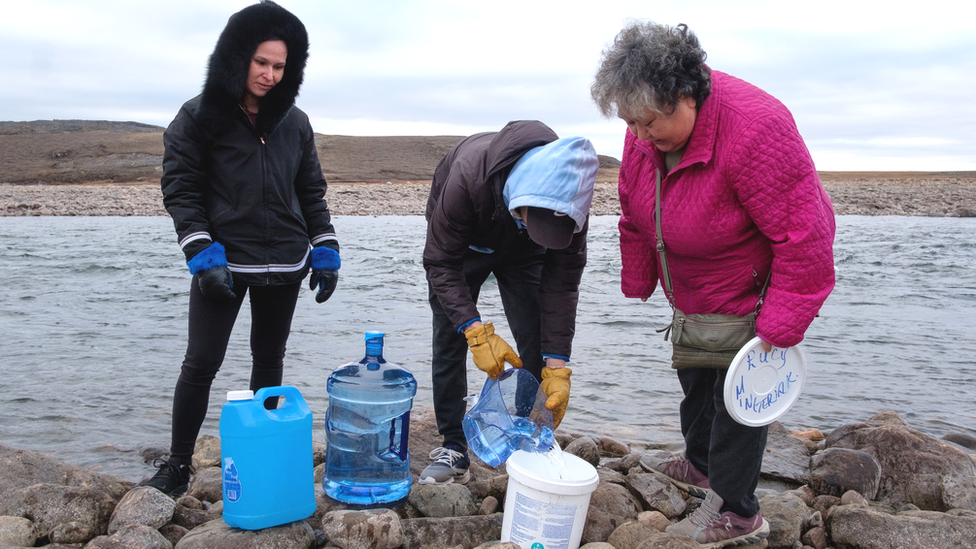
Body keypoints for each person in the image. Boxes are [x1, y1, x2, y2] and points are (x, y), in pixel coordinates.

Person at [591, 22, 835, 546]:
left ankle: (739, 512)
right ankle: (701, 467)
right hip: (694, 291)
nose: (637, 135)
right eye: (630, 123)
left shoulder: (757, 128)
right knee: (697, 382)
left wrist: (779, 329)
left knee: (738, 402)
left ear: (685, 96)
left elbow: (805, 236)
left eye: (648, 122)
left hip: (750, 292)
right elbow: (635, 214)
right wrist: (638, 275)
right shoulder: (646, 126)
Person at [147, 1, 340, 495]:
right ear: (237, 57)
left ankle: (263, 449)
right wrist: (200, 252)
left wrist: (325, 248)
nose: (270, 75)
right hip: (223, 265)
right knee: (200, 363)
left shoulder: (295, 122)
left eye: (281, 66)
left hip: (286, 263)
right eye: (261, 63)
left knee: (268, 359)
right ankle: (178, 464)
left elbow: (310, 190)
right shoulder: (198, 115)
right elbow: (181, 188)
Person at [420, 120, 599, 484]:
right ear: (523, 198)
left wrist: (558, 365)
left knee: (536, 336)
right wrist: (474, 330)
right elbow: (440, 261)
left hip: (525, 252)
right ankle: (454, 446)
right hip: (464, 246)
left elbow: (562, 287)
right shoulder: (468, 176)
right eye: (540, 225)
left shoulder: (571, 200)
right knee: (450, 337)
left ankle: (527, 439)